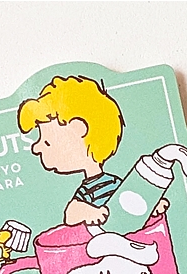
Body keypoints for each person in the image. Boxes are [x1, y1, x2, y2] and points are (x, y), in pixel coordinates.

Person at [17, 75, 168, 226]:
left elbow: (131, 199)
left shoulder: (113, 183)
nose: (35, 148)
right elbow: (71, 214)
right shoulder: (87, 191)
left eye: (47, 142)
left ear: (78, 129)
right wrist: (88, 213)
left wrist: (152, 204)